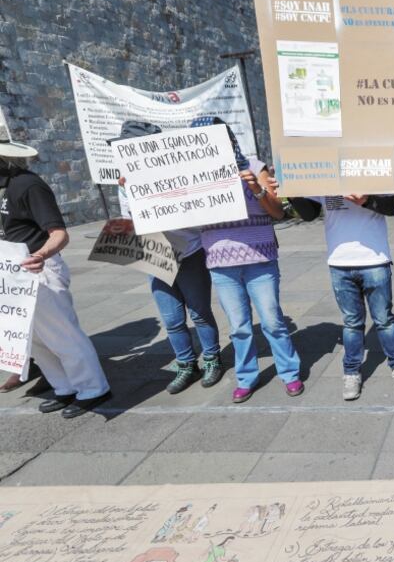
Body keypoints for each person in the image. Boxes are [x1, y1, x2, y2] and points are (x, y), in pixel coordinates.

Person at [0, 131, 112, 417]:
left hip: (39, 268)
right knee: (34, 339)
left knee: (62, 335)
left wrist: (40, 256)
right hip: (12, 276)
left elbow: (59, 234)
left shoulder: (28, 185)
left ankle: (93, 388)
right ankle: (63, 387)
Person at [192, 116, 303, 403]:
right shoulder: (191, 174)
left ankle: (289, 373)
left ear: (228, 139)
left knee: (272, 320)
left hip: (260, 257)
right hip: (220, 262)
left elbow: (278, 212)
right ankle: (246, 377)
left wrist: (256, 189)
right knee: (239, 327)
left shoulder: (253, 166)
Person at [112, 121, 222, 395]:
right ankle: (186, 364)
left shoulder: (178, 173)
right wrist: (127, 193)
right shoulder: (125, 182)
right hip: (156, 254)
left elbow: (199, 214)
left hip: (189, 251)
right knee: (171, 319)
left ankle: (212, 359)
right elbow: (129, 223)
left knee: (199, 313)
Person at [287, 192, 394, 401]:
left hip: (375, 260)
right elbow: (310, 214)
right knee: (352, 323)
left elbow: (393, 207)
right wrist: (291, 193)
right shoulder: (323, 173)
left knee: (384, 320)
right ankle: (352, 372)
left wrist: (366, 200)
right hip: (339, 263)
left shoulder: (370, 167)